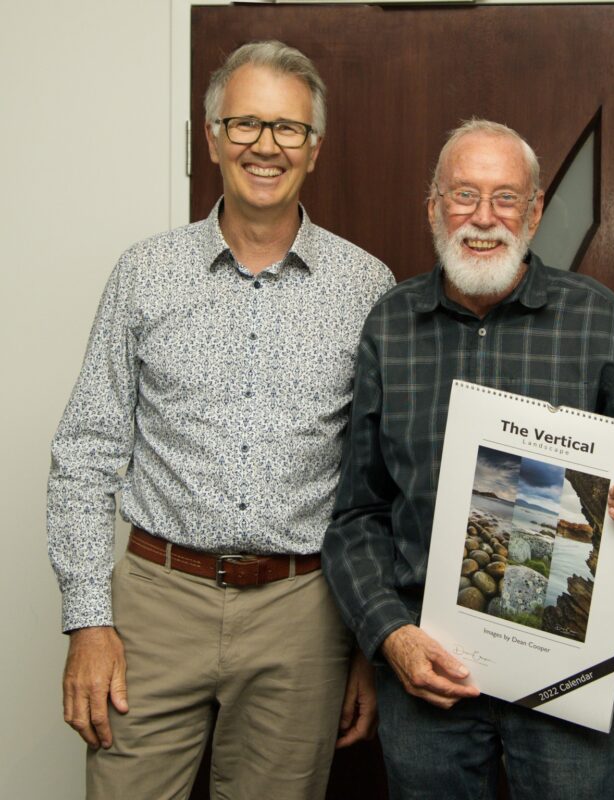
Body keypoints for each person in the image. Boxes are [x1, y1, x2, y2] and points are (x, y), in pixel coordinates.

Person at [47, 40, 394, 799]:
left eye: (287, 129)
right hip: (153, 605)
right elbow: (83, 453)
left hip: (304, 615)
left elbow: (377, 480)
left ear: (313, 149)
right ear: (211, 138)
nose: (264, 146)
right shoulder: (145, 273)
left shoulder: (367, 287)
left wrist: (368, 642)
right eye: (244, 124)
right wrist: (87, 622)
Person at [322, 119, 614, 800]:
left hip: (565, 673)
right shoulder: (389, 325)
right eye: (464, 195)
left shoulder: (597, 318)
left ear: (534, 213)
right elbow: (356, 514)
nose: (484, 218)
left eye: (505, 199)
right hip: (426, 673)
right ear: (433, 208)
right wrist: (389, 638)